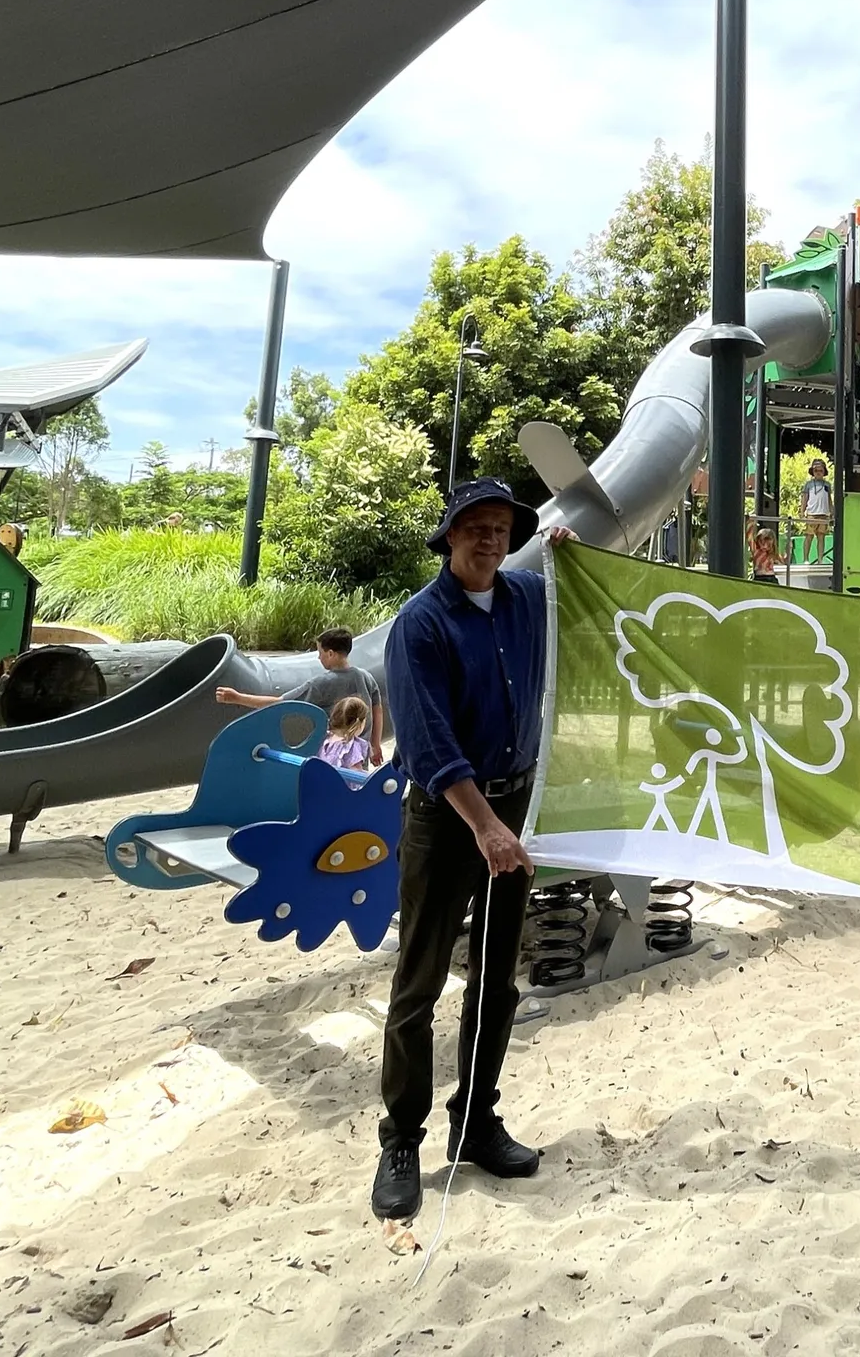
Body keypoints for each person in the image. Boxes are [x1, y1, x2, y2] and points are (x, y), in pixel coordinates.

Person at [370, 478, 575, 1222]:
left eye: (501, 527)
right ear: (449, 536)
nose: (489, 539)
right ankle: (400, 1140)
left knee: (498, 975)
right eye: (475, 527)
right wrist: (485, 827)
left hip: (514, 805)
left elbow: (581, 608)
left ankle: (476, 1119)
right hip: (447, 818)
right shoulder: (419, 625)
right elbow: (427, 744)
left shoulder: (524, 601)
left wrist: (567, 558)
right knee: (418, 983)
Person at [216, 627, 385, 767]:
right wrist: (375, 744)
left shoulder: (321, 684)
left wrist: (237, 698)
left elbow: (280, 703)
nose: (318, 657)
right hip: (359, 757)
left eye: (320, 652)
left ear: (331, 654)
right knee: (357, 788)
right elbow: (377, 710)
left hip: (333, 759)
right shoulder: (365, 676)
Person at [320, 695, 372, 773]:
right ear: (359, 724)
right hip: (340, 784)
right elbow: (356, 775)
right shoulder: (352, 746)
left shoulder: (325, 738)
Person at [800, 457, 833, 544]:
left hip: (824, 515)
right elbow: (805, 499)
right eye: (816, 471)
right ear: (812, 472)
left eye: (821, 471)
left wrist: (832, 512)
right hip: (811, 514)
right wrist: (802, 512)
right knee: (808, 536)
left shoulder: (827, 485)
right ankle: (805, 558)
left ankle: (820, 557)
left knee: (821, 537)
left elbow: (829, 500)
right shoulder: (809, 484)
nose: (818, 473)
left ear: (824, 472)